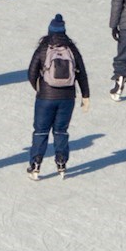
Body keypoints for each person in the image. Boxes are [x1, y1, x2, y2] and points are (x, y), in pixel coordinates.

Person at [26, 14, 90, 180]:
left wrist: (39, 88)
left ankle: (35, 165)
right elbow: (82, 73)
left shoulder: (43, 48)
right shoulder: (71, 49)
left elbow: (31, 72)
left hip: (45, 97)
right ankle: (61, 164)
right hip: (67, 97)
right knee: (61, 131)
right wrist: (85, 95)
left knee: (41, 131)